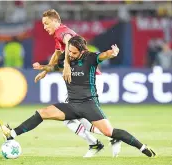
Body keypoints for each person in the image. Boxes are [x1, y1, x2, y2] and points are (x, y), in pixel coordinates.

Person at [0, 36, 156, 157]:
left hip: (89, 104)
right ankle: (12, 134)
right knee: (42, 113)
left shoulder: (91, 58)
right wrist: (43, 67)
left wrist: (112, 53)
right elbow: (55, 66)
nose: (71, 55)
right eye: (69, 52)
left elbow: (104, 55)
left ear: (82, 51)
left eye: (74, 53)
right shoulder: (66, 59)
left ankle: (142, 147)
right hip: (72, 105)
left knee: (109, 132)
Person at [34, 9, 121, 157]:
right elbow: (57, 54)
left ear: (55, 21)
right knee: (73, 118)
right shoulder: (58, 34)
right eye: (43, 24)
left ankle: (103, 140)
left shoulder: (62, 32)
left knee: (71, 118)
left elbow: (69, 43)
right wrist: (46, 70)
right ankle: (103, 140)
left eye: (46, 23)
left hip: (89, 79)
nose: (44, 27)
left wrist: (67, 66)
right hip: (86, 79)